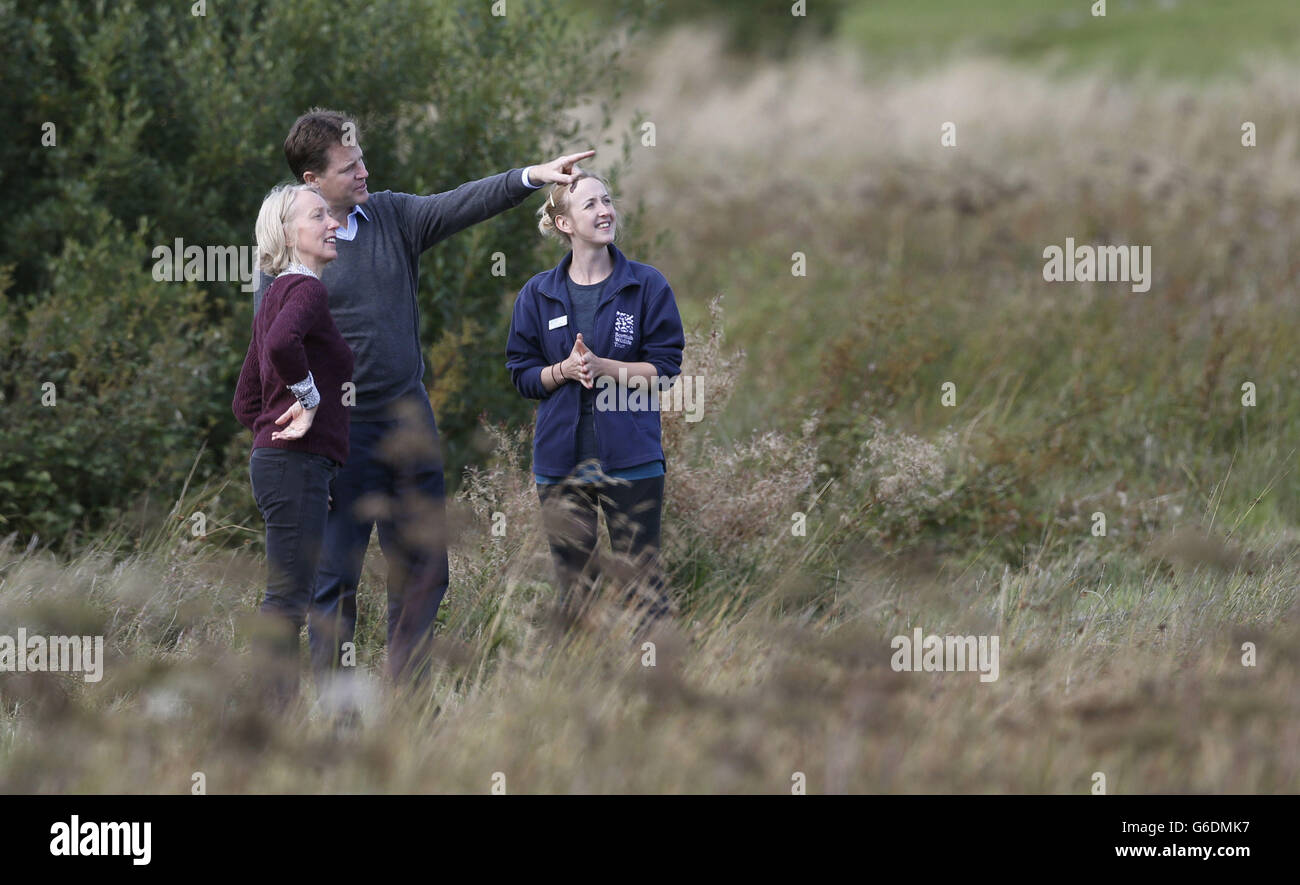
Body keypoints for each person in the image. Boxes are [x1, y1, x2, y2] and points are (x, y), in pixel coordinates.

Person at [253, 108, 593, 683]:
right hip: (339, 433)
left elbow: (460, 201)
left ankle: (407, 701)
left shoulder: (392, 216)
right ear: (311, 180)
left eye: (362, 158)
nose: (364, 172)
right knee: (336, 579)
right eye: (349, 166)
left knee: (425, 570)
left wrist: (533, 176)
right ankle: (340, 712)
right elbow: (270, 349)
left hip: (409, 423)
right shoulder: (288, 255)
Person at [506, 172, 685, 634]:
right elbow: (522, 375)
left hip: (632, 460)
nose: (605, 211)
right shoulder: (537, 293)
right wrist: (562, 371)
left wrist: (606, 368)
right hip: (559, 466)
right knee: (574, 588)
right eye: (590, 205)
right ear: (564, 223)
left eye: (607, 201)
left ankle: (659, 681)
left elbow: (665, 368)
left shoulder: (646, 285)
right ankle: (579, 691)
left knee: (642, 583)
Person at [233, 183, 354, 707]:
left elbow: (245, 402)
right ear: (286, 233)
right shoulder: (305, 290)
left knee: (287, 595)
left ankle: (263, 717)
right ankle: (263, 722)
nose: (332, 223)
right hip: (291, 463)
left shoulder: (274, 294)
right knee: (287, 599)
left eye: (331, 215)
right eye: (317, 215)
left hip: (287, 466)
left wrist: (294, 460)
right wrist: (307, 401)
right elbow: (283, 347)